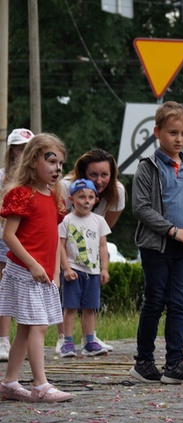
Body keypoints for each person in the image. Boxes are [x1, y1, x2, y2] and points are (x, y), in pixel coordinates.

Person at [129, 101, 183, 384]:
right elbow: (140, 208)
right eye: (173, 132)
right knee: (155, 302)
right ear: (157, 132)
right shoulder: (147, 167)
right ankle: (144, 362)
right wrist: (173, 231)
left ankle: (175, 364)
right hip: (157, 246)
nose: (179, 139)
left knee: (179, 304)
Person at [0, 133, 73, 403]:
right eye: (50, 160)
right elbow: (9, 236)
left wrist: (53, 272)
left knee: (25, 329)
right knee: (39, 326)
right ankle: (40, 384)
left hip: (42, 273)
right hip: (24, 271)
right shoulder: (22, 194)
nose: (57, 169)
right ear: (32, 161)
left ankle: (9, 382)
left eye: (61, 164)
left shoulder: (53, 196)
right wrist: (31, 264)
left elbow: (52, 238)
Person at [55, 149, 124, 354]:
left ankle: (89, 338)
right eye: (93, 175)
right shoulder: (66, 188)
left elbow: (102, 237)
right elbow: (58, 234)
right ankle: (64, 339)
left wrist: (103, 266)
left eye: (105, 175)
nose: (100, 180)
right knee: (68, 302)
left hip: (91, 263)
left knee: (89, 304)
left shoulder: (116, 192)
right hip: (68, 253)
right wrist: (64, 264)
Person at [57, 179, 111, 358]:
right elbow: (61, 246)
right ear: (71, 198)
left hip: (93, 272)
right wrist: (65, 268)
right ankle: (67, 342)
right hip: (73, 270)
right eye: (81, 197)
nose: (86, 201)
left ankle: (89, 341)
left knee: (90, 308)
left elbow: (103, 246)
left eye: (90, 197)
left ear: (96, 199)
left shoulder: (99, 221)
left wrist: (104, 269)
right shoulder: (66, 220)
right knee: (70, 307)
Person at [0, 128, 34, 362]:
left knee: (26, 291)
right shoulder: (2, 176)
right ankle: (3, 339)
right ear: (11, 150)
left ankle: (27, 341)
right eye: (18, 147)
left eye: (26, 148)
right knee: (4, 288)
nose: (21, 152)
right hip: (5, 236)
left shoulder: (38, 178)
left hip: (29, 239)